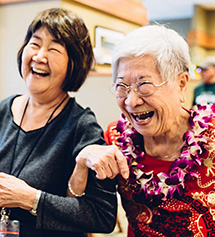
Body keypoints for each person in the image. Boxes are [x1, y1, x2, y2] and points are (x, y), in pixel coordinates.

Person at [70, 24, 215, 236]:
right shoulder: (115, 139)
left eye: (144, 85)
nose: (132, 101)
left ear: (181, 85)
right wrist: (81, 163)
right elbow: (82, 216)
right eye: (122, 87)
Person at [0, 8, 118, 237]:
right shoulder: (4, 109)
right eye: (34, 44)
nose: (39, 56)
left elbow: (102, 216)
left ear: (73, 63)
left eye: (53, 49)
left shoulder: (82, 127)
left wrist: (30, 198)